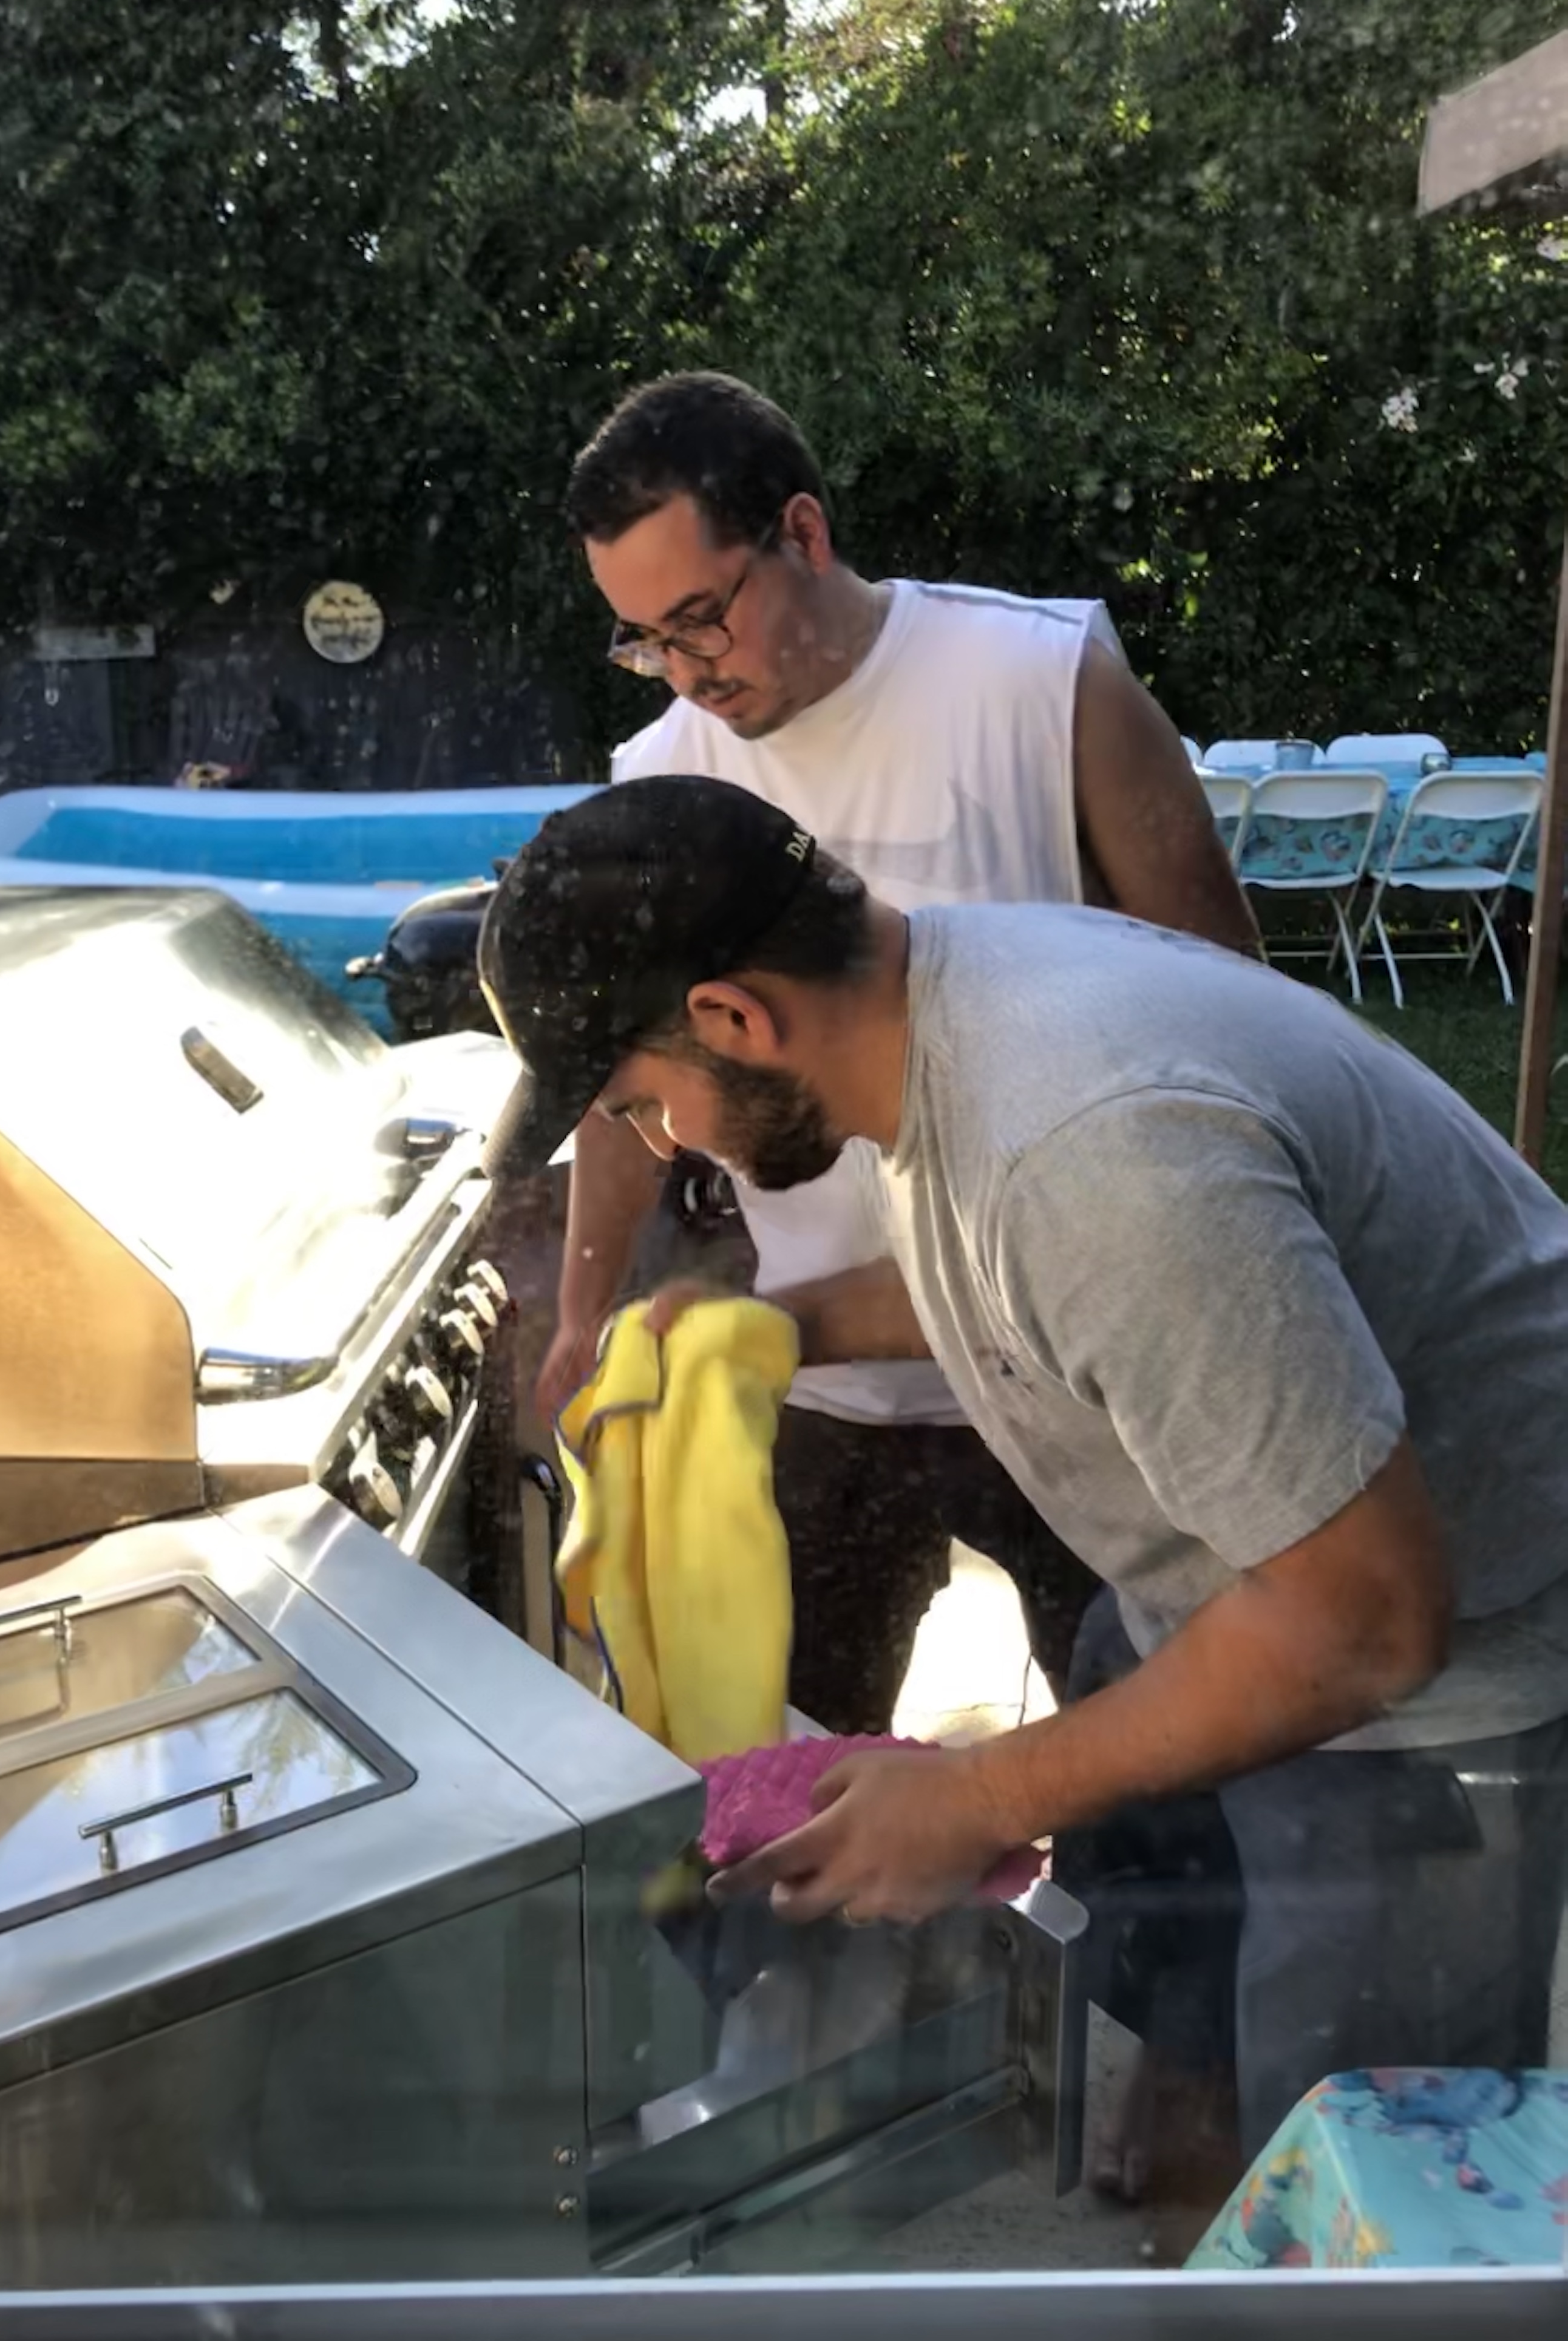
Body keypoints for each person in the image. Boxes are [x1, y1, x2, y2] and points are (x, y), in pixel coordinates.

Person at [476, 775, 1568, 2160]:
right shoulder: (954, 1001)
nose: (663, 1145)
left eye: (642, 1104)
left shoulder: (1095, 1148)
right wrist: (779, 1328)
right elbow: (1027, 1281)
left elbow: (1365, 1623)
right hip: (1236, 1581)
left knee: (1376, 2183)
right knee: (1222, 2048)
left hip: (1429, 1693)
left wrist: (979, 1799)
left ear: (735, 1020)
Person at [543, 371, 1258, 1735]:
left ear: (803, 532)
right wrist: (583, 1309)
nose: (691, 671)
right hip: (817, 1372)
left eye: (703, 616)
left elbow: (1232, 1008)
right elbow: (619, 1077)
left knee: (1164, 1769)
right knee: (783, 1761)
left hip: (1078, 1372)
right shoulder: (661, 779)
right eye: (642, 641)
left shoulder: (1042, 685)